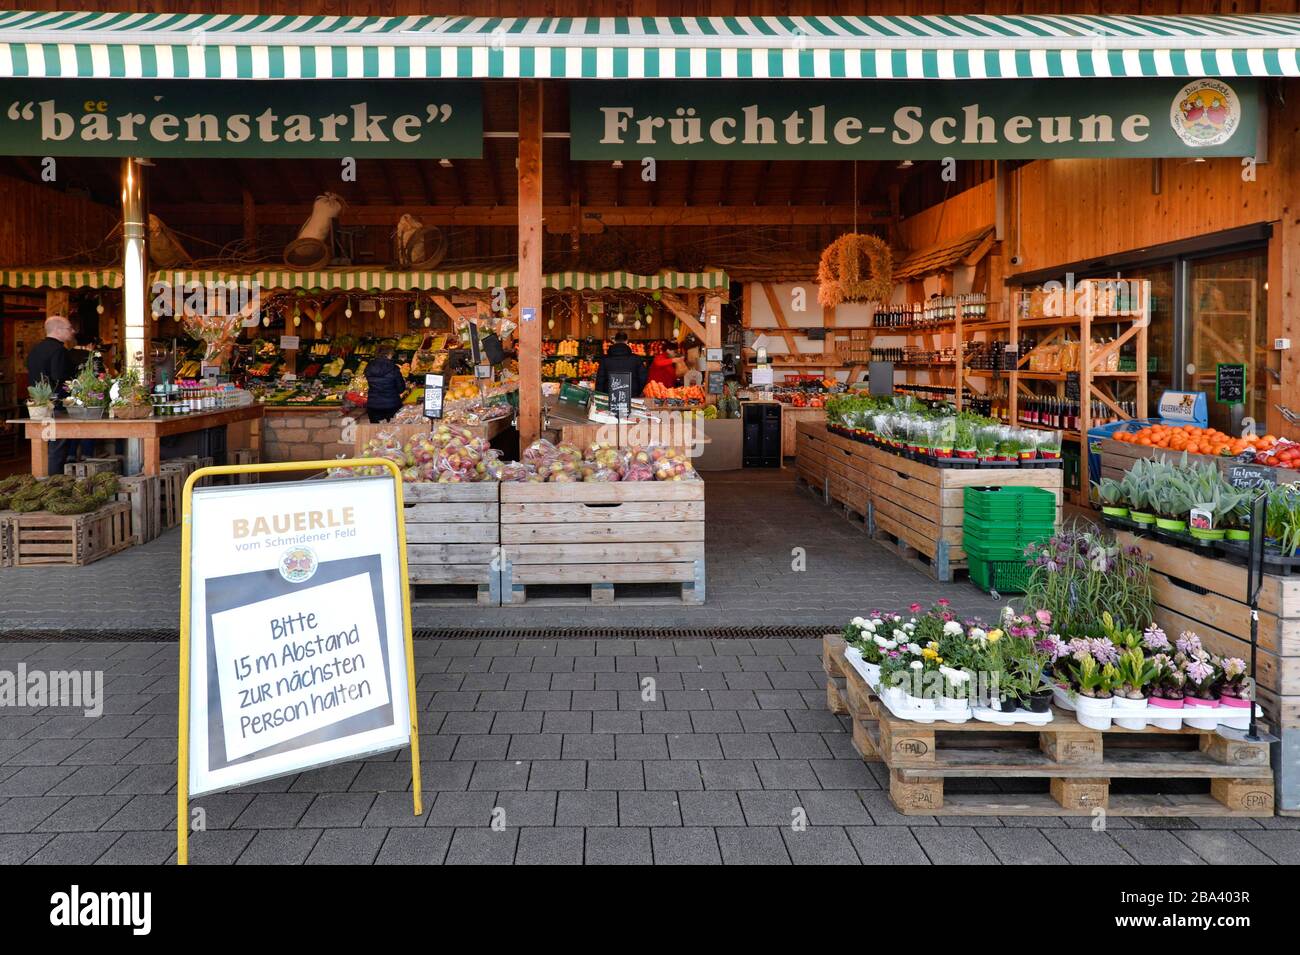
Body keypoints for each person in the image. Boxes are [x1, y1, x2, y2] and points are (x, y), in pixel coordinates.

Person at [26, 315, 76, 476]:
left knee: (43, 443)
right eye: (69, 328)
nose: (72, 331)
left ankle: (41, 478)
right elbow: (58, 377)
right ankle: (53, 481)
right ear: (58, 330)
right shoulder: (58, 350)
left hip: (38, 405)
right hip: (56, 404)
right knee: (57, 444)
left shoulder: (35, 349)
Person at [596, 331, 648, 397]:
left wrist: (600, 397)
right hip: (632, 397)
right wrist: (637, 392)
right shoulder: (636, 359)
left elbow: (600, 381)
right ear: (627, 341)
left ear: (614, 341)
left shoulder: (605, 360)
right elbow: (643, 378)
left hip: (610, 398)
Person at [363, 345, 407, 423]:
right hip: (392, 405)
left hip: (373, 405)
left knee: (376, 432)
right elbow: (401, 389)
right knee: (392, 432)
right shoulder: (394, 368)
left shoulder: (369, 367)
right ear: (388, 354)